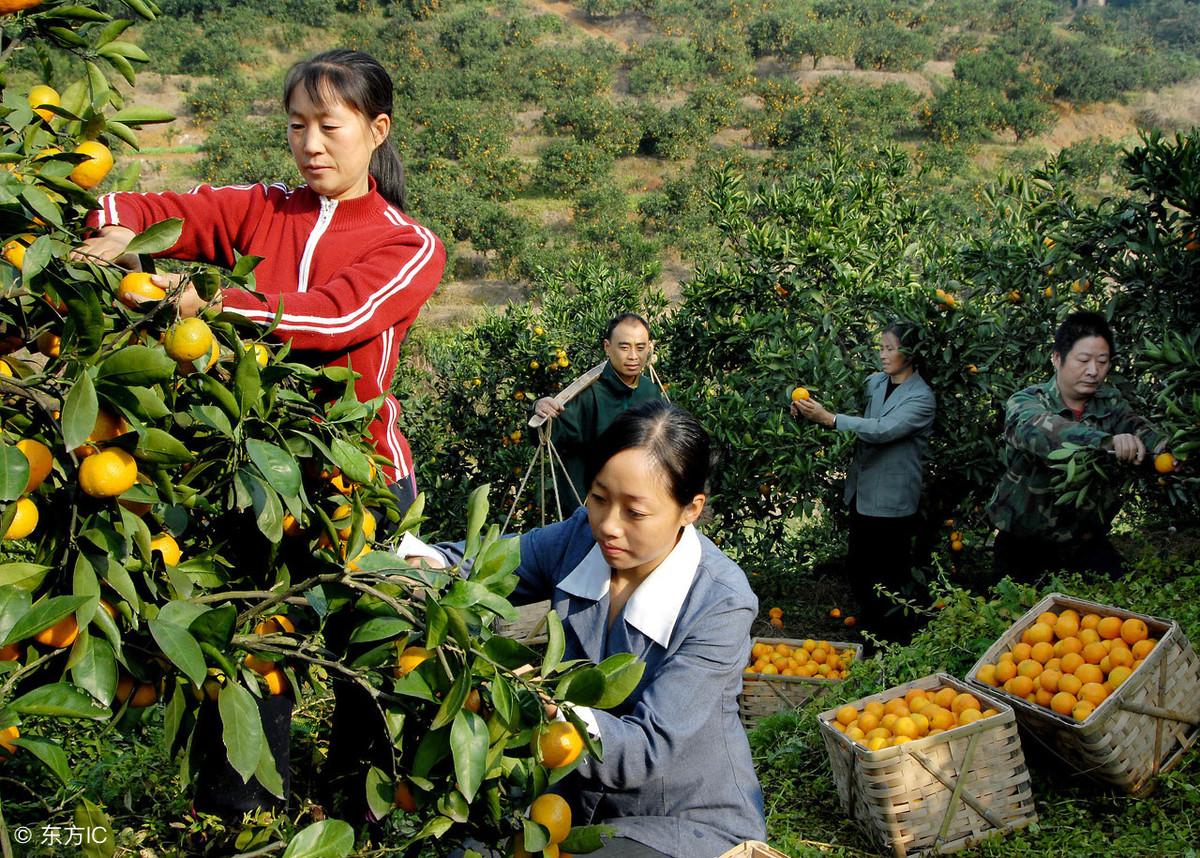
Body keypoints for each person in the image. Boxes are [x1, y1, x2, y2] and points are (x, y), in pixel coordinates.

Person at [73, 49, 445, 513]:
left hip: (360, 475)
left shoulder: (409, 244)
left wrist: (211, 302)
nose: (310, 145)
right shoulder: (262, 207)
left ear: (377, 130)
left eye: (329, 128)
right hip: (251, 465)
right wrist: (117, 231)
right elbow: (143, 206)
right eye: (297, 125)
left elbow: (335, 317)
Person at [406, 401, 766, 858]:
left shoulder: (719, 603)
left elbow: (647, 748)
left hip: (681, 819)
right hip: (569, 807)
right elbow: (490, 562)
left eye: (635, 513)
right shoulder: (581, 538)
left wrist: (552, 710)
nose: (608, 526)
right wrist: (427, 565)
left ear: (690, 509)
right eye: (598, 498)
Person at [986, 311, 1164, 581]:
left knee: (1111, 614)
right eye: (1083, 360)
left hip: (1085, 543)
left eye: (1102, 362)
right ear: (1057, 358)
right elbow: (1042, 431)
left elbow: (1141, 430)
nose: (1093, 371)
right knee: (1018, 617)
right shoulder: (1027, 402)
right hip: (1024, 546)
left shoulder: (1110, 404)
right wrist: (1106, 442)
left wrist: (1173, 450)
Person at [791, 321, 936, 640]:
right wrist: (808, 409)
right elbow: (847, 409)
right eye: (881, 348)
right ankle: (869, 636)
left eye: (890, 348)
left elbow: (883, 429)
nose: (883, 355)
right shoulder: (874, 383)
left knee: (888, 578)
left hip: (893, 502)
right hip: (863, 494)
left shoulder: (921, 398)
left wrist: (829, 419)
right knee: (859, 570)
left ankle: (892, 642)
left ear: (910, 353)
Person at [532, 313, 663, 513]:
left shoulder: (650, 390)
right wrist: (540, 409)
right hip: (590, 511)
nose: (633, 356)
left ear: (649, 347)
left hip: (636, 507)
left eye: (640, 347)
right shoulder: (587, 395)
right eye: (624, 347)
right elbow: (547, 434)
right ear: (607, 347)